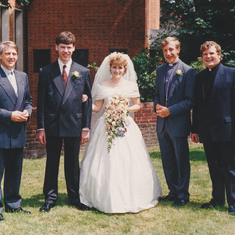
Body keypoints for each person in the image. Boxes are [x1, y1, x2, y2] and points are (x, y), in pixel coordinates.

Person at [79, 52, 162, 213]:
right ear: (110, 68)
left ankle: (130, 196)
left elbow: (138, 105)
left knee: (127, 159)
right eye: (114, 67)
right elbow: (97, 108)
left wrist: (125, 108)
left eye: (120, 68)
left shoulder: (131, 86)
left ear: (125, 69)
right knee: (104, 159)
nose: (117, 70)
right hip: (106, 126)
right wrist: (86, 102)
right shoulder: (102, 85)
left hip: (126, 125)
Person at [37, 31, 92, 212]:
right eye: (63, 47)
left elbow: (88, 101)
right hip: (52, 124)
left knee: (72, 162)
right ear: (56, 48)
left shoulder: (83, 72)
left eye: (69, 47)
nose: (66, 51)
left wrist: (85, 127)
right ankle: (50, 197)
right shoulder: (46, 71)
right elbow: (42, 101)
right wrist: (41, 127)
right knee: (52, 161)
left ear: (74, 48)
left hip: (74, 125)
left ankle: (75, 197)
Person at [191, 41, 235, 216]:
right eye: (205, 55)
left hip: (228, 130)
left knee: (230, 168)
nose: (208, 57)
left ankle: (233, 203)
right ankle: (217, 199)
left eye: (211, 54)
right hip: (207, 132)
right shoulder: (199, 77)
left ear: (219, 55)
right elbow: (198, 107)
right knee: (214, 167)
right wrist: (195, 129)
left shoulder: (232, 74)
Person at [154, 37, 196, 207]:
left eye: (171, 50)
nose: (168, 53)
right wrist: (156, 105)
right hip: (162, 125)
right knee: (167, 160)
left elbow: (189, 100)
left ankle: (183, 194)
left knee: (181, 160)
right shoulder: (159, 70)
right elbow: (157, 93)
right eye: (165, 51)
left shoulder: (188, 71)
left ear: (178, 50)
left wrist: (169, 111)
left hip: (178, 124)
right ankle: (172, 191)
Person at [0, 41, 33, 222]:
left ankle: (13, 205)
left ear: (17, 56)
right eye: (7, 54)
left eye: (14, 54)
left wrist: (28, 111)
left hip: (18, 133)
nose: (11, 57)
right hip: (1, 132)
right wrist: (9, 115)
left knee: (14, 171)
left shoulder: (23, 76)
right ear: (1, 56)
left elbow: (28, 99)